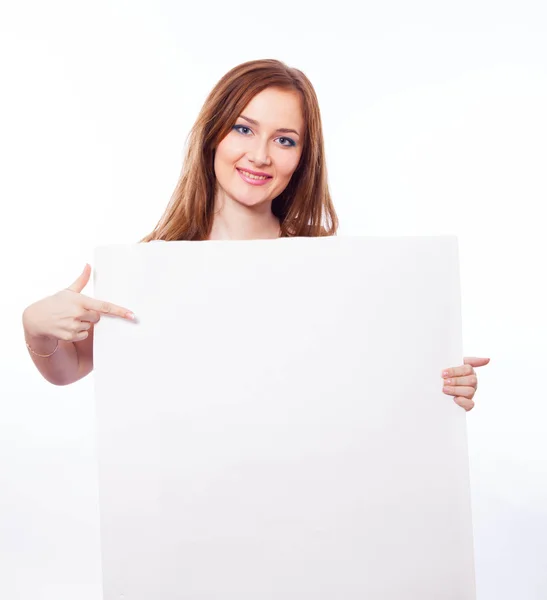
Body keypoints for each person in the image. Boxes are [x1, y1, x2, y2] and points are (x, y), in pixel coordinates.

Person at [21, 58, 490, 406]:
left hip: (306, 506)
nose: (261, 155)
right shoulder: (153, 268)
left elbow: (362, 380)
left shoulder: (330, 267)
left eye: (285, 140)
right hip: (185, 508)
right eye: (244, 130)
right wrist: (37, 329)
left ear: (303, 158)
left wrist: (437, 378)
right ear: (213, 136)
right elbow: (72, 368)